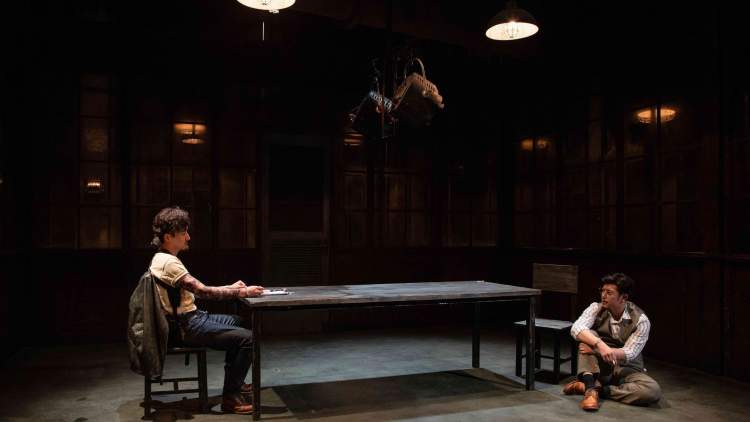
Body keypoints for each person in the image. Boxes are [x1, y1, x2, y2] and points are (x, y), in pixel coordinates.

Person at [149, 206, 263, 414]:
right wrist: (242, 292)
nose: (188, 237)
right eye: (183, 233)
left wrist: (231, 287)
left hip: (191, 317)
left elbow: (199, 290)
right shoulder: (168, 263)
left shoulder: (163, 258)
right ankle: (230, 398)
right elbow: (203, 292)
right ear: (168, 237)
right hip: (185, 326)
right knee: (248, 339)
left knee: (239, 322)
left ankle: (235, 382)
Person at [564, 273, 662, 411]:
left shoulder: (641, 320)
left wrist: (596, 351)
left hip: (627, 367)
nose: (603, 295)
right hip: (601, 367)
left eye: (609, 293)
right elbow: (576, 328)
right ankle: (590, 392)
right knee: (588, 337)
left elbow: (630, 353)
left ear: (624, 297)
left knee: (652, 391)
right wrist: (600, 345)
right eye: (602, 291)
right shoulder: (596, 308)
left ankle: (595, 389)